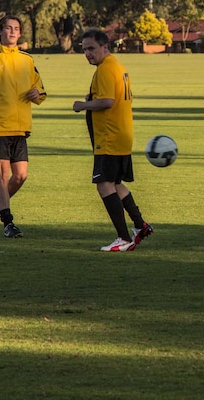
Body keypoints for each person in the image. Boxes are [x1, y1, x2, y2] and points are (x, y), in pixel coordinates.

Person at [72, 28, 153, 252]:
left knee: (104, 185)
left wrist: (83, 105)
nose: (87, 53)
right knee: (116, 184)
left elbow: (107, 101)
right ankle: (140, 225)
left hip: (109, 137)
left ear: (105, 47)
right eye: (84, 49)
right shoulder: (117, 66)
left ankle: (123, 238)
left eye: (91, 48)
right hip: (122, 134)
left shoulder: (106, 69)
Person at [0, 15, 47, 238]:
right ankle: (8, 222)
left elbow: (40, 89)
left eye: (16, 29)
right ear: (0, 31)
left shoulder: (27, 59)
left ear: (20, 33)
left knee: (21, 176)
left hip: (20, 126)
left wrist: (37, 94)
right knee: (2, 175)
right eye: (8, 28)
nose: (12, 32)